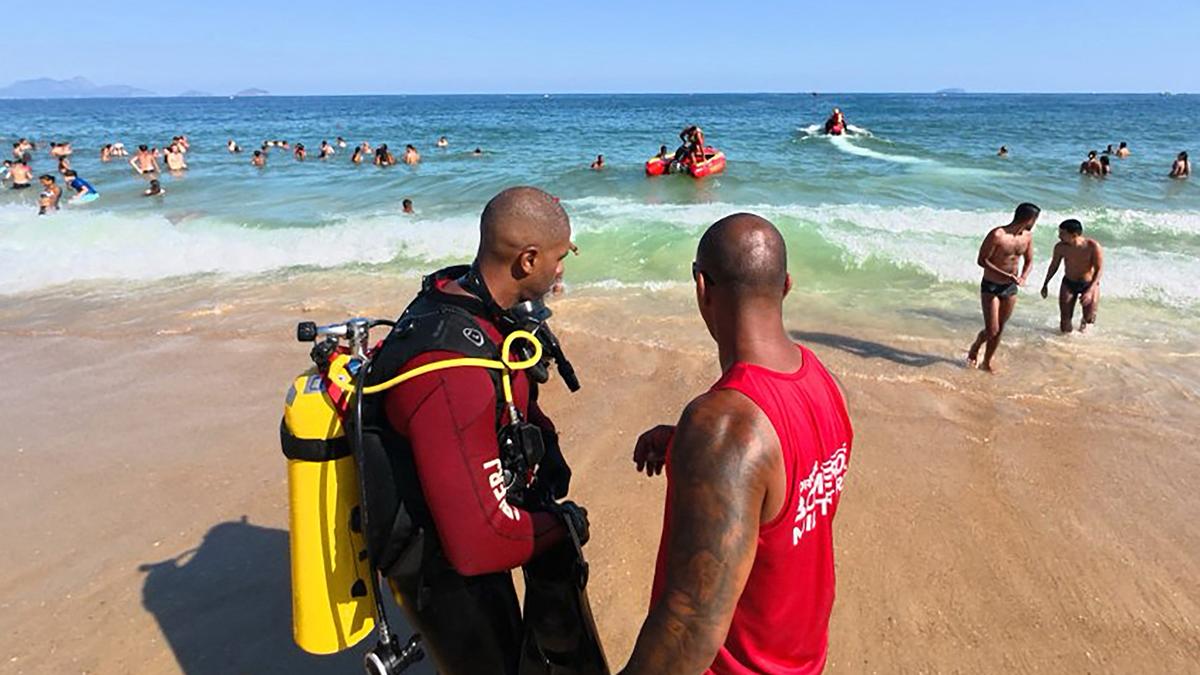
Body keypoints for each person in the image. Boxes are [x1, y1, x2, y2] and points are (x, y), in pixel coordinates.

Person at [363, 186, 606, 674]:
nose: (562, 270)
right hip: (439, 565)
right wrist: (559, 527)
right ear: (527, 260)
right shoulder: (450, 370)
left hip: (465, 505)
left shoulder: (471, 299)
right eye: (559, 259)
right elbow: (479, 546)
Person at [620, 213, 853, 675]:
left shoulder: (726, 427)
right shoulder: (821, 380)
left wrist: (710, 446)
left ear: (702, 287)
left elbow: (690, 625)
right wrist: (684, 447)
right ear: (786, 285)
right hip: (801, 656)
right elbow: (785, 486)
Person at [967, 202, 1040, 372]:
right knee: (992, 329)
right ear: (1029, 218)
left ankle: (986, 362)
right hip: (991, 285)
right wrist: (1005, 275)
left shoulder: (1027, 237)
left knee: (1000, 329)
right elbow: (982, 260)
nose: (1035, 223)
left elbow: (1029, 261)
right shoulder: (998, 235)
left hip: (1010, 287)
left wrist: (1023, 276)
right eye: (1035, 219)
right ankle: (976, 346)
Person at [1040, 219, 1104, 333]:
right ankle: (1065, 343)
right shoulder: (1060, 247)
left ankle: (1082, 343)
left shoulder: (1092, 246)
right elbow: (1054, 266)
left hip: (1089, 283)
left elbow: (1099, 270)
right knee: (1065, 319)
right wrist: (1045, 283)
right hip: (1069, 283)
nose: (1059, 236)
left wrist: (1090, 291)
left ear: (1074, 235)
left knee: (1088, 319)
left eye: (1062, 234)